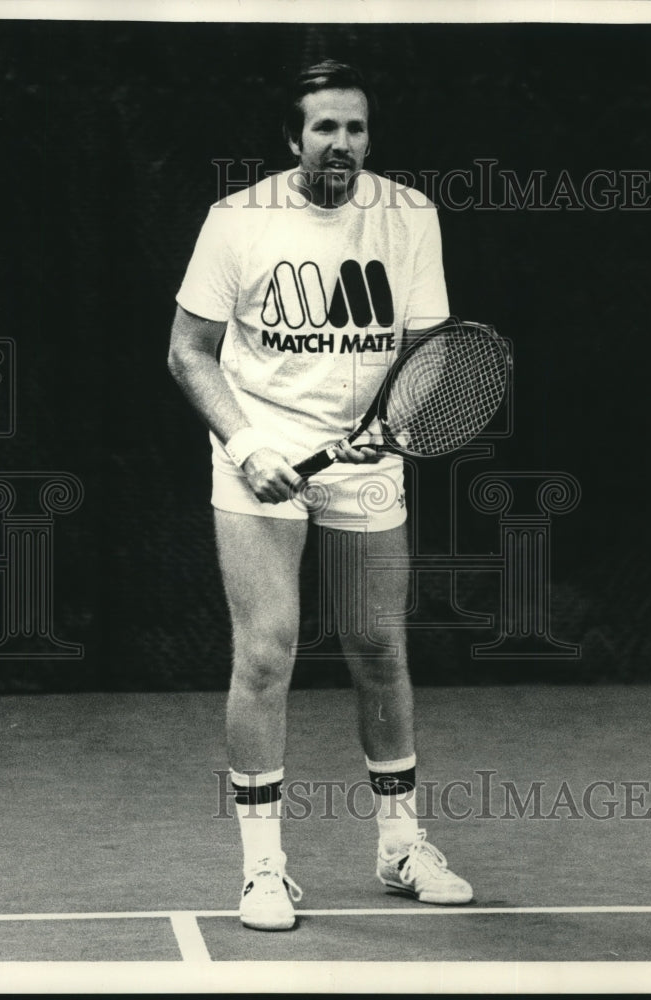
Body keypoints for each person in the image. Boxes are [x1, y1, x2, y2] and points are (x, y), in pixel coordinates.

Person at [168, 60, 473, 931]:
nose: (342, 143)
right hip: (259, 452)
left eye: (356, 128)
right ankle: (263, 868)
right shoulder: (237, 220)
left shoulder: (409, 215)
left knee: (377, 649)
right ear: (293, 136)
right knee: (267, 653)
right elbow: (188, 351)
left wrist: (391, 425)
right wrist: (248, 444)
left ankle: (401, 847)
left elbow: (428, 349)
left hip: (365, 456)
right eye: (325, 127)